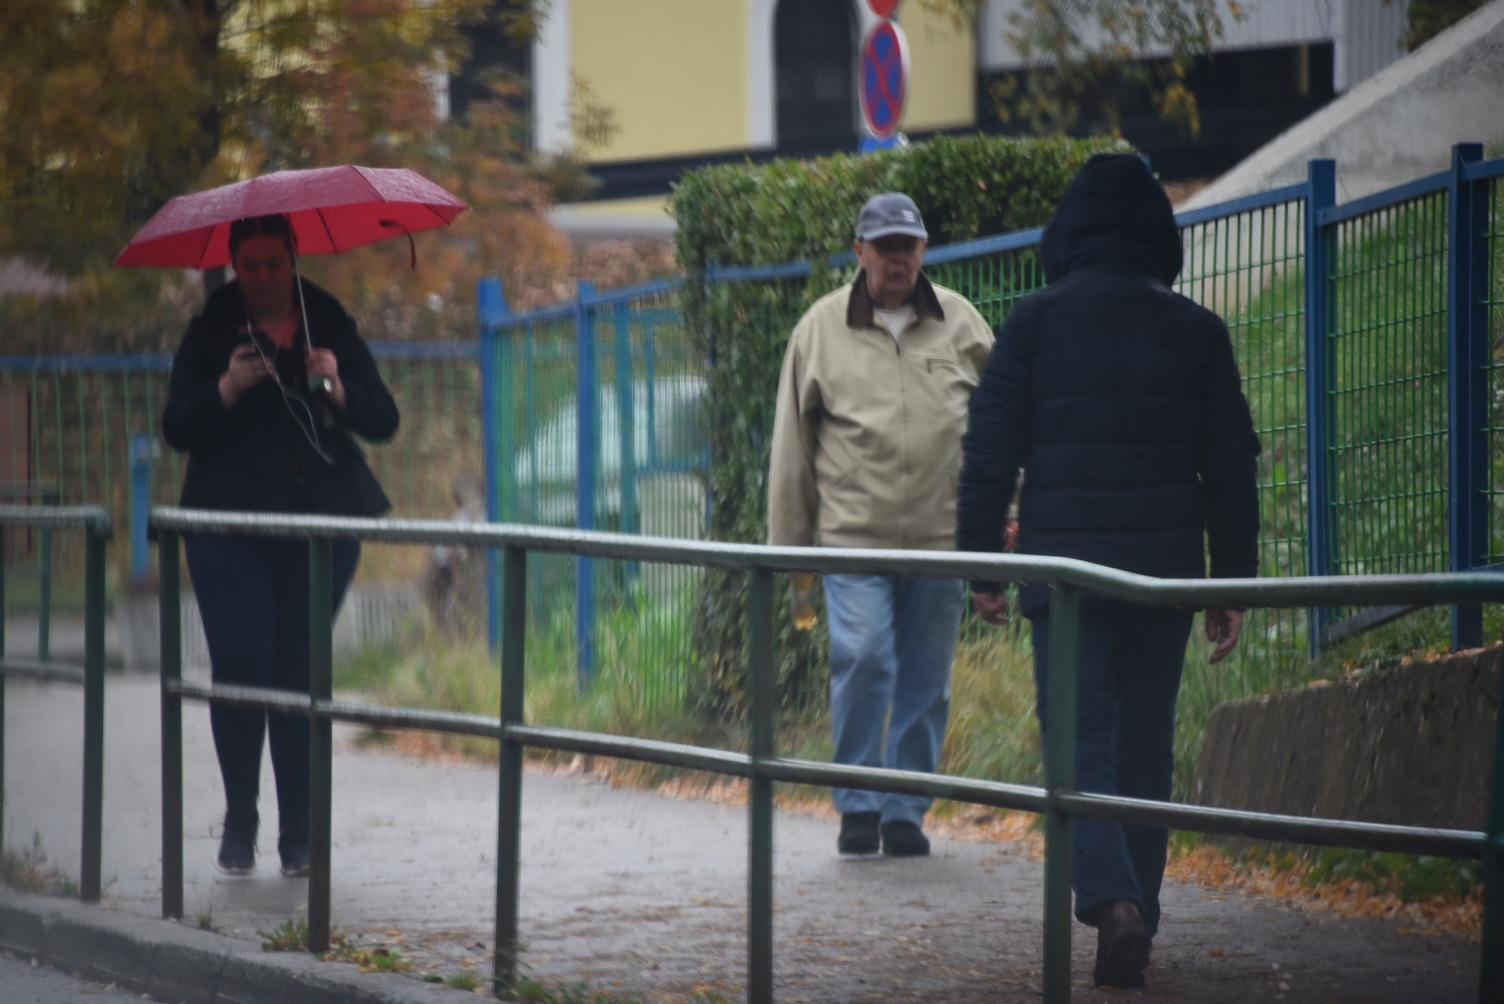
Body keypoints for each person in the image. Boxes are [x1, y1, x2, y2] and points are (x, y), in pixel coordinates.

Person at [956, 154, 1260, 988]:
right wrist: (1230, 583)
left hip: (1064, 572)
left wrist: (983, 563)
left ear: (1069, 234)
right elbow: (1231, 463)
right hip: (1162, 576)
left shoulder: (1035, 322)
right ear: (1158, 236)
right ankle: (1135, 922)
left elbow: (989, 450)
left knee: (1077, 744)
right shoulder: (1197, 330)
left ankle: (1114, 906)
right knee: (1144, 752)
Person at [162, 213, 399, 877]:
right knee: (243, 670)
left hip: (316, 527)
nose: (263, 277)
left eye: (274, 263)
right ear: (235, 265)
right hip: (228, 529)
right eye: (251, 265)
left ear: (293, 258)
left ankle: (301, 835)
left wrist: (337, 385)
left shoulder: (325, 318)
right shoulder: (213, 328)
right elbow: (177, 425)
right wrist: (227, 389)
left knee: (298, 676)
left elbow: (383, 418)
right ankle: (241, 820)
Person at [768, 193, 994, 857]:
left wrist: (1005, 518)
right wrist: (791, 561)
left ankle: (905, 811)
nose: (897, 260)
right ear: (860, 251)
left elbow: (1002, 427)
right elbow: (791, 454)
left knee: (927, 681)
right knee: (865, 658)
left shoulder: (962, 325)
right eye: (885, 246)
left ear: (924, 251)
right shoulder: (819, 331)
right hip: (852, 541)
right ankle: (858, 800)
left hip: (941, 541)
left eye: (908, 246)